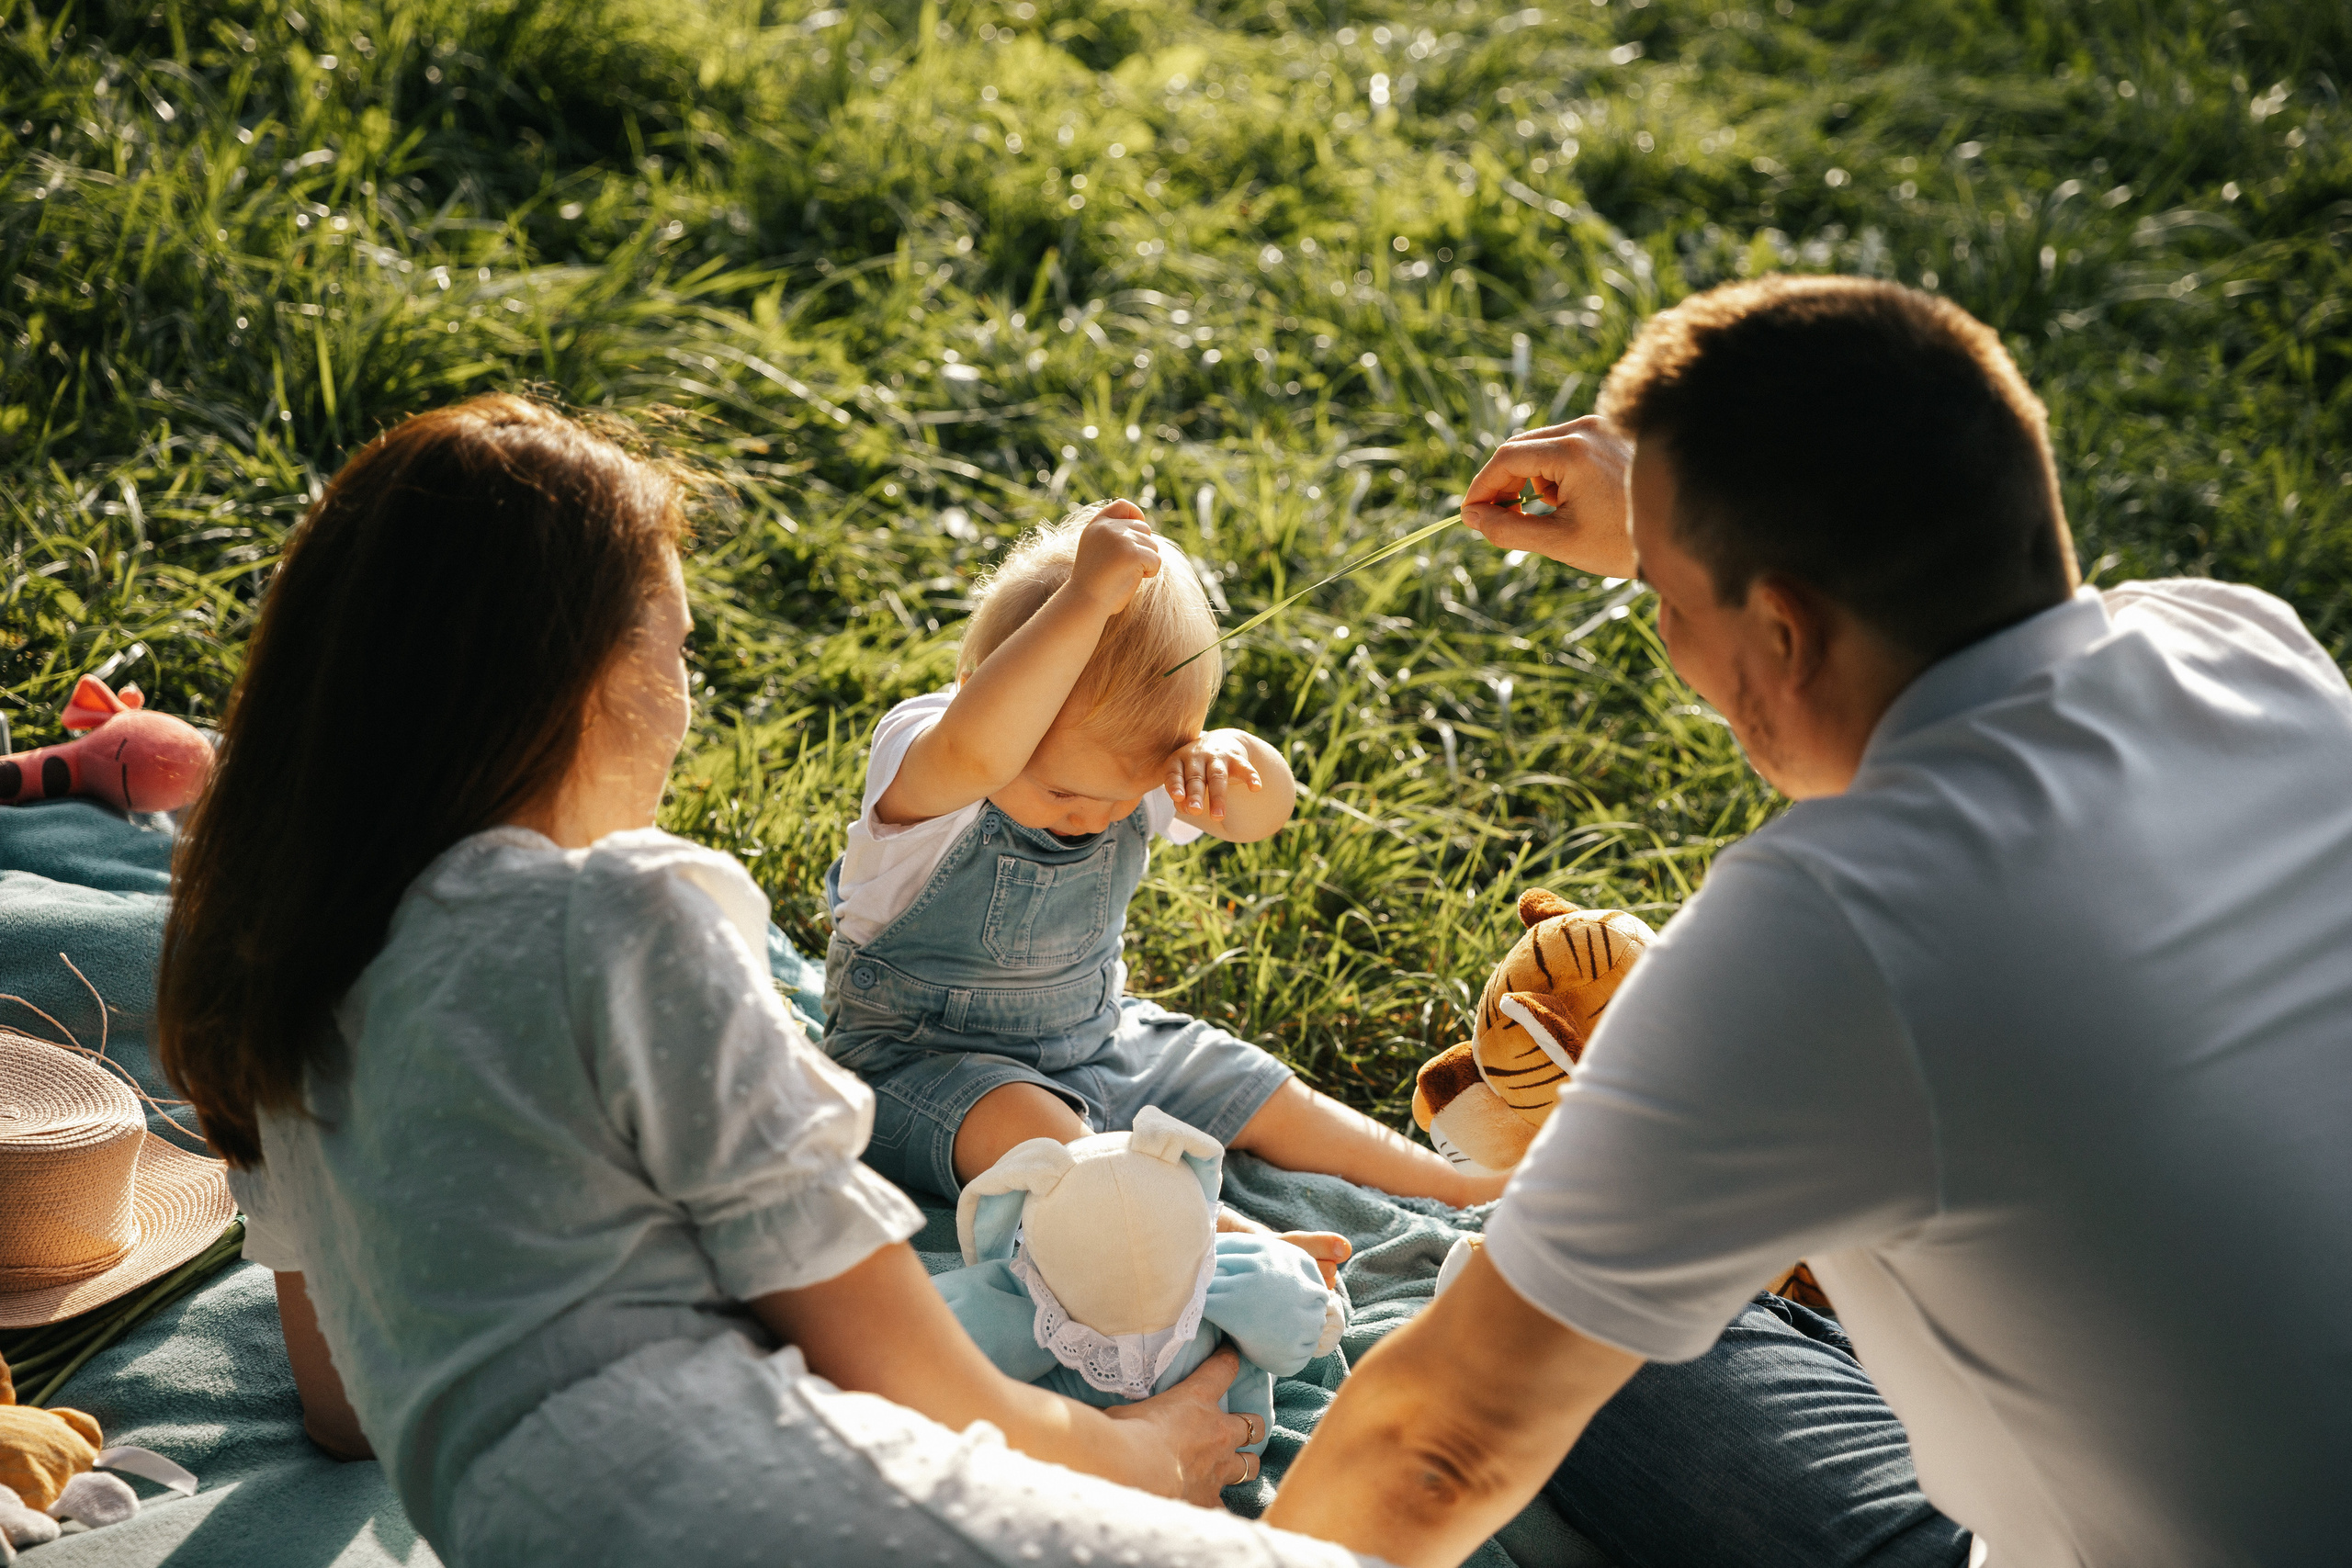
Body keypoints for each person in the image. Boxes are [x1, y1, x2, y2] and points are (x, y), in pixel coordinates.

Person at [153, 395, 1368, 1568]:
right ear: (581, 678)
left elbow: (345, 1413)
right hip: (808, 1503)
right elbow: (907, 1377)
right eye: (679, 651)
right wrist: (1144, 1456)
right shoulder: (626, 917)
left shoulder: (279, 975)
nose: (688, 703)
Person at [1266, 275, 2352, 1565]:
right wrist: (1678, 518)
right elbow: (1952, 643)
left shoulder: (1825, 932)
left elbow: (1437, 1447)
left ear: (1780, 621)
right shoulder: (2245, 647)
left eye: (1668, 597)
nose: (1664, 625)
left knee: (1553, 1325)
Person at [822, 502, 1504, 1223]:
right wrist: (1085, 598)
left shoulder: (1125, 776)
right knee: (1036, 1136)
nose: (1096, 817)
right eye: (1063, 792)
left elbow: (1261, 817)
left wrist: (1233, 760)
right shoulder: (932, 763)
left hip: (1100, 1044)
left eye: (1127, 795)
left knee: (1247, 1081)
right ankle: (1213, 1236)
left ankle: (1453, 1186)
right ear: (975, 687)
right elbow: (982, 747)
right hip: (923, 1067)